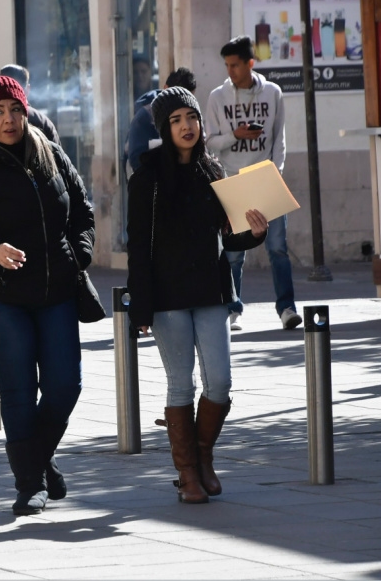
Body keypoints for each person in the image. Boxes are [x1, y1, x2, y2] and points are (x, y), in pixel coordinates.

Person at [0, 76, 94, 516]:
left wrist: (81, 252)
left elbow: (82, 212)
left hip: (56, 292)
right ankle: (29, 484)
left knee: (67, 384)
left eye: (14, 110)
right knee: (18, 390)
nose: (8, 120)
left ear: (25, 112)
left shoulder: (51, 153)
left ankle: (37, 459)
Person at [126, 87, 268, 504]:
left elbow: (231, 235)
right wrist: (141, 305)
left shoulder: (214, 170)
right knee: (180, 385)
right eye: (176, 120)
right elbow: (138, 245)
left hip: (211, 289)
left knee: (220, 383)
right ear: (163, 128)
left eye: (191, 117)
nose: (187, 126)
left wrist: (254, 232)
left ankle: (203, 457)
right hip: (167, 296)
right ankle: (187, 473)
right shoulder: (147, 175)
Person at [205, 35, 300, 331]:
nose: (230, 71)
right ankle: (233, 309)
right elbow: (209, 144)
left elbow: (279, 140)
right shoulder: (217, 98)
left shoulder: (272, 93)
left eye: (235, 65)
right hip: (233, 182)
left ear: (250, 63)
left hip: (265, 180)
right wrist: (237, 135)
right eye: (227, 65)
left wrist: (276, 174)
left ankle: (287, 308)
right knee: (234, 253)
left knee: (278, 249)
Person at [125, 67, 197, 174]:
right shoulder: (145, 117)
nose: (184, 106)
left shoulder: (193, 116)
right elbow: (136, 159)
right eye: (179, 99)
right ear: (166, 89)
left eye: (190, 101)